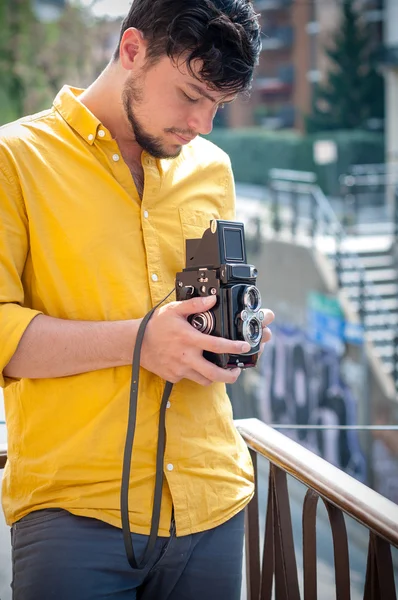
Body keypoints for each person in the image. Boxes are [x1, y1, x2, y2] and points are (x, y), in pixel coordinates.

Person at [0, 1, 274, 598]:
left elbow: (200, 309)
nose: (203, 123)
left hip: (214, 502)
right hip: (75, 512)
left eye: (218, 106)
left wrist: (231, 333)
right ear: (132, 50)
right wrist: (141, 341)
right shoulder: (14, 159)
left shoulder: (213, 168)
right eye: (190, 95)